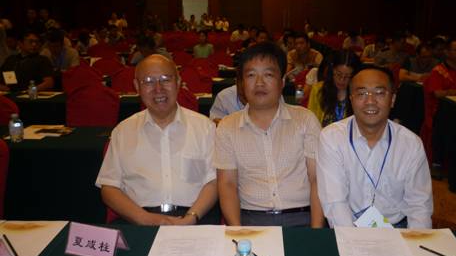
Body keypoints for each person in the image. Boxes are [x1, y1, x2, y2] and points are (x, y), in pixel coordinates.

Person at [96, 54, 218, 225]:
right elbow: (109, 187)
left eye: (165, 79)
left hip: (196, 217)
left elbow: (214, 181)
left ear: (178, 82)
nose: (158, 88)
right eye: (148, 81)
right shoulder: (123, 131)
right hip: (139, 219)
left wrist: (191, 218)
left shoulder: (205, 127)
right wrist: (145, 219)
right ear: (137, 86)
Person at [215, 43, 324, 227]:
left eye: (268, 75)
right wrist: (237, 231)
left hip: (302, 217)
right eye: (251, 75)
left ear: (282, 81)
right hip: (251, 220)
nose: (259, 83)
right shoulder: (227, 126)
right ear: (241, 83)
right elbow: (227, 185)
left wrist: (316, 231)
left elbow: (317, 179)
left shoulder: (305, 119)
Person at [317, 66, 433, 228]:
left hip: (397, 228)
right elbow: (335, 202)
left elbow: (419, 206)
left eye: (379, 93)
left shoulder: (411, 144)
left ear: (392, 99)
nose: (370, 101)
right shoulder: (332, 137)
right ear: (351, 99)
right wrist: (352, 240)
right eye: (362, 93)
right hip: (348, 227)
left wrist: (415, 240)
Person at [423, 38, 456, 178]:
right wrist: (455, 91)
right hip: (440, 111)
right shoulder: (438, 71)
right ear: (447, 52)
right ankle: (437, 163)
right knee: (444, 123)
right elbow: (437, 93)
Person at [307, 50, 360, 127]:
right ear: (332, 70)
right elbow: (311, 120)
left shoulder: (358, 93)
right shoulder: (318, 89)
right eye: (338, 74)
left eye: (347, 76)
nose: (342, 80)